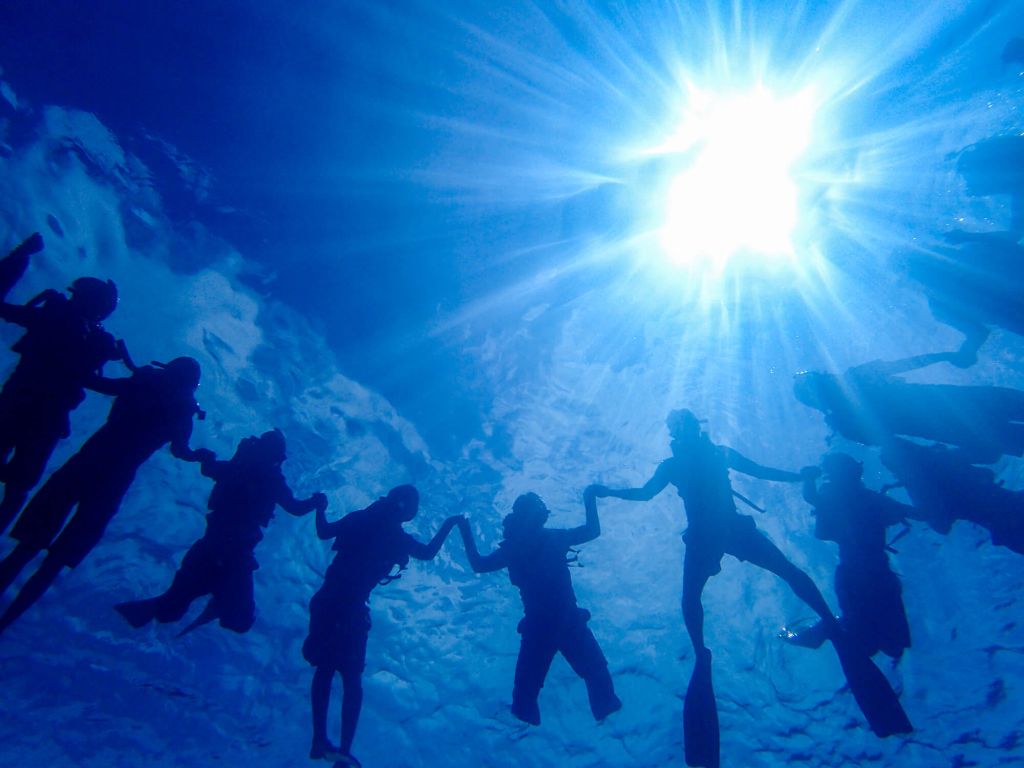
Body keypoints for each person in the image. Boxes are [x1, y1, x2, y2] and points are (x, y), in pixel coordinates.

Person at [594, 409, 911, 768]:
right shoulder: (698, 459)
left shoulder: (703, 458)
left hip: (717, 531)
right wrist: (607, 492)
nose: (683, 431)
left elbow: (757, 472)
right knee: (716, 591)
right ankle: (706, 650)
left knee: (760, 579)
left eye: (684, 425)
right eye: (679, 427)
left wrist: (801, 476)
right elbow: (647, 493)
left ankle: (813, 624)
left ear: (687, 430)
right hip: (717, 532)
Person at [0, 356, 213, 635]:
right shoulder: (182, 411)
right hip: (113, 482)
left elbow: (101, 384)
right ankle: (4, 624)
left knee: (26, 548)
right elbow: (181, 450)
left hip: (85, 463)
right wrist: (200, 456)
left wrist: (77, 365)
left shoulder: (144, 383)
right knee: (53, 564)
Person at [302, 485, 460, 767]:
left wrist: (320, 508)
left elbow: (324, 531)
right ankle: (341, 750)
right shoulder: (394, 536)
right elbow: (427, 552)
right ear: (406, 508)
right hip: (348, 608)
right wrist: (450, 524)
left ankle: (321, 740)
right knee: (350, 677)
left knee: (329, 669)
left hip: (332, 602)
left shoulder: (362, 519)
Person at [115, 429, 327, 635]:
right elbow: (295, 507)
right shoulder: (271, 478)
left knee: (172, 608)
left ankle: (217, 599)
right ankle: (220, 600)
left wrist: (205, 457)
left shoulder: (237, 469)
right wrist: (317, 503)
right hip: (235, 555)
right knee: (235, 619)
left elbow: (209, 469)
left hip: (211, 548)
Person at [455, 487, 622, 728]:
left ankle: (525, 725)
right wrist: (589, 496)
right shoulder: (542, 541)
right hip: (557, 623)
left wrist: (465, 529)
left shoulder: (523, 546)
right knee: (532, 694)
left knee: (531, 695)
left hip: (549, 624)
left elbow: (479, 564)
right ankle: (526, 725)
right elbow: (592, 530)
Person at [0, 232, 122, 531]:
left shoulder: (68, 324)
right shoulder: (85, 333)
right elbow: (97, 382)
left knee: (20, 485)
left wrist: (19, 257)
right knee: (20, 485)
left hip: (27, 404)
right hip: (38, 410)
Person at [784, 453, 914, 660]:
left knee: (872, 637)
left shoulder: (843, 498)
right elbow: (910, 512)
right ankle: (825, 630)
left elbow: (812, 498)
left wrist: (808, 478)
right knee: (883, 640)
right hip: (873, 571)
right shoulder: (868, 499)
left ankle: (825, 630)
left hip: (857, 571)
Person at [794, 353, 1024, 460]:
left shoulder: (843, 423)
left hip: (952, 429)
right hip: (956, 401)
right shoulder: (854, 379)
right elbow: (905, 364)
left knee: (1014, 438)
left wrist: (952, 457)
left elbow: (895, 447)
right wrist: (946, 356)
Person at [879, 436, 1024, 555]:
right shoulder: (942, 459)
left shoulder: (922, 487)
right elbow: (991, 454)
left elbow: (940, 525)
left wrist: (900, 506)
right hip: (1013, 508)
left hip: (1007, 526)